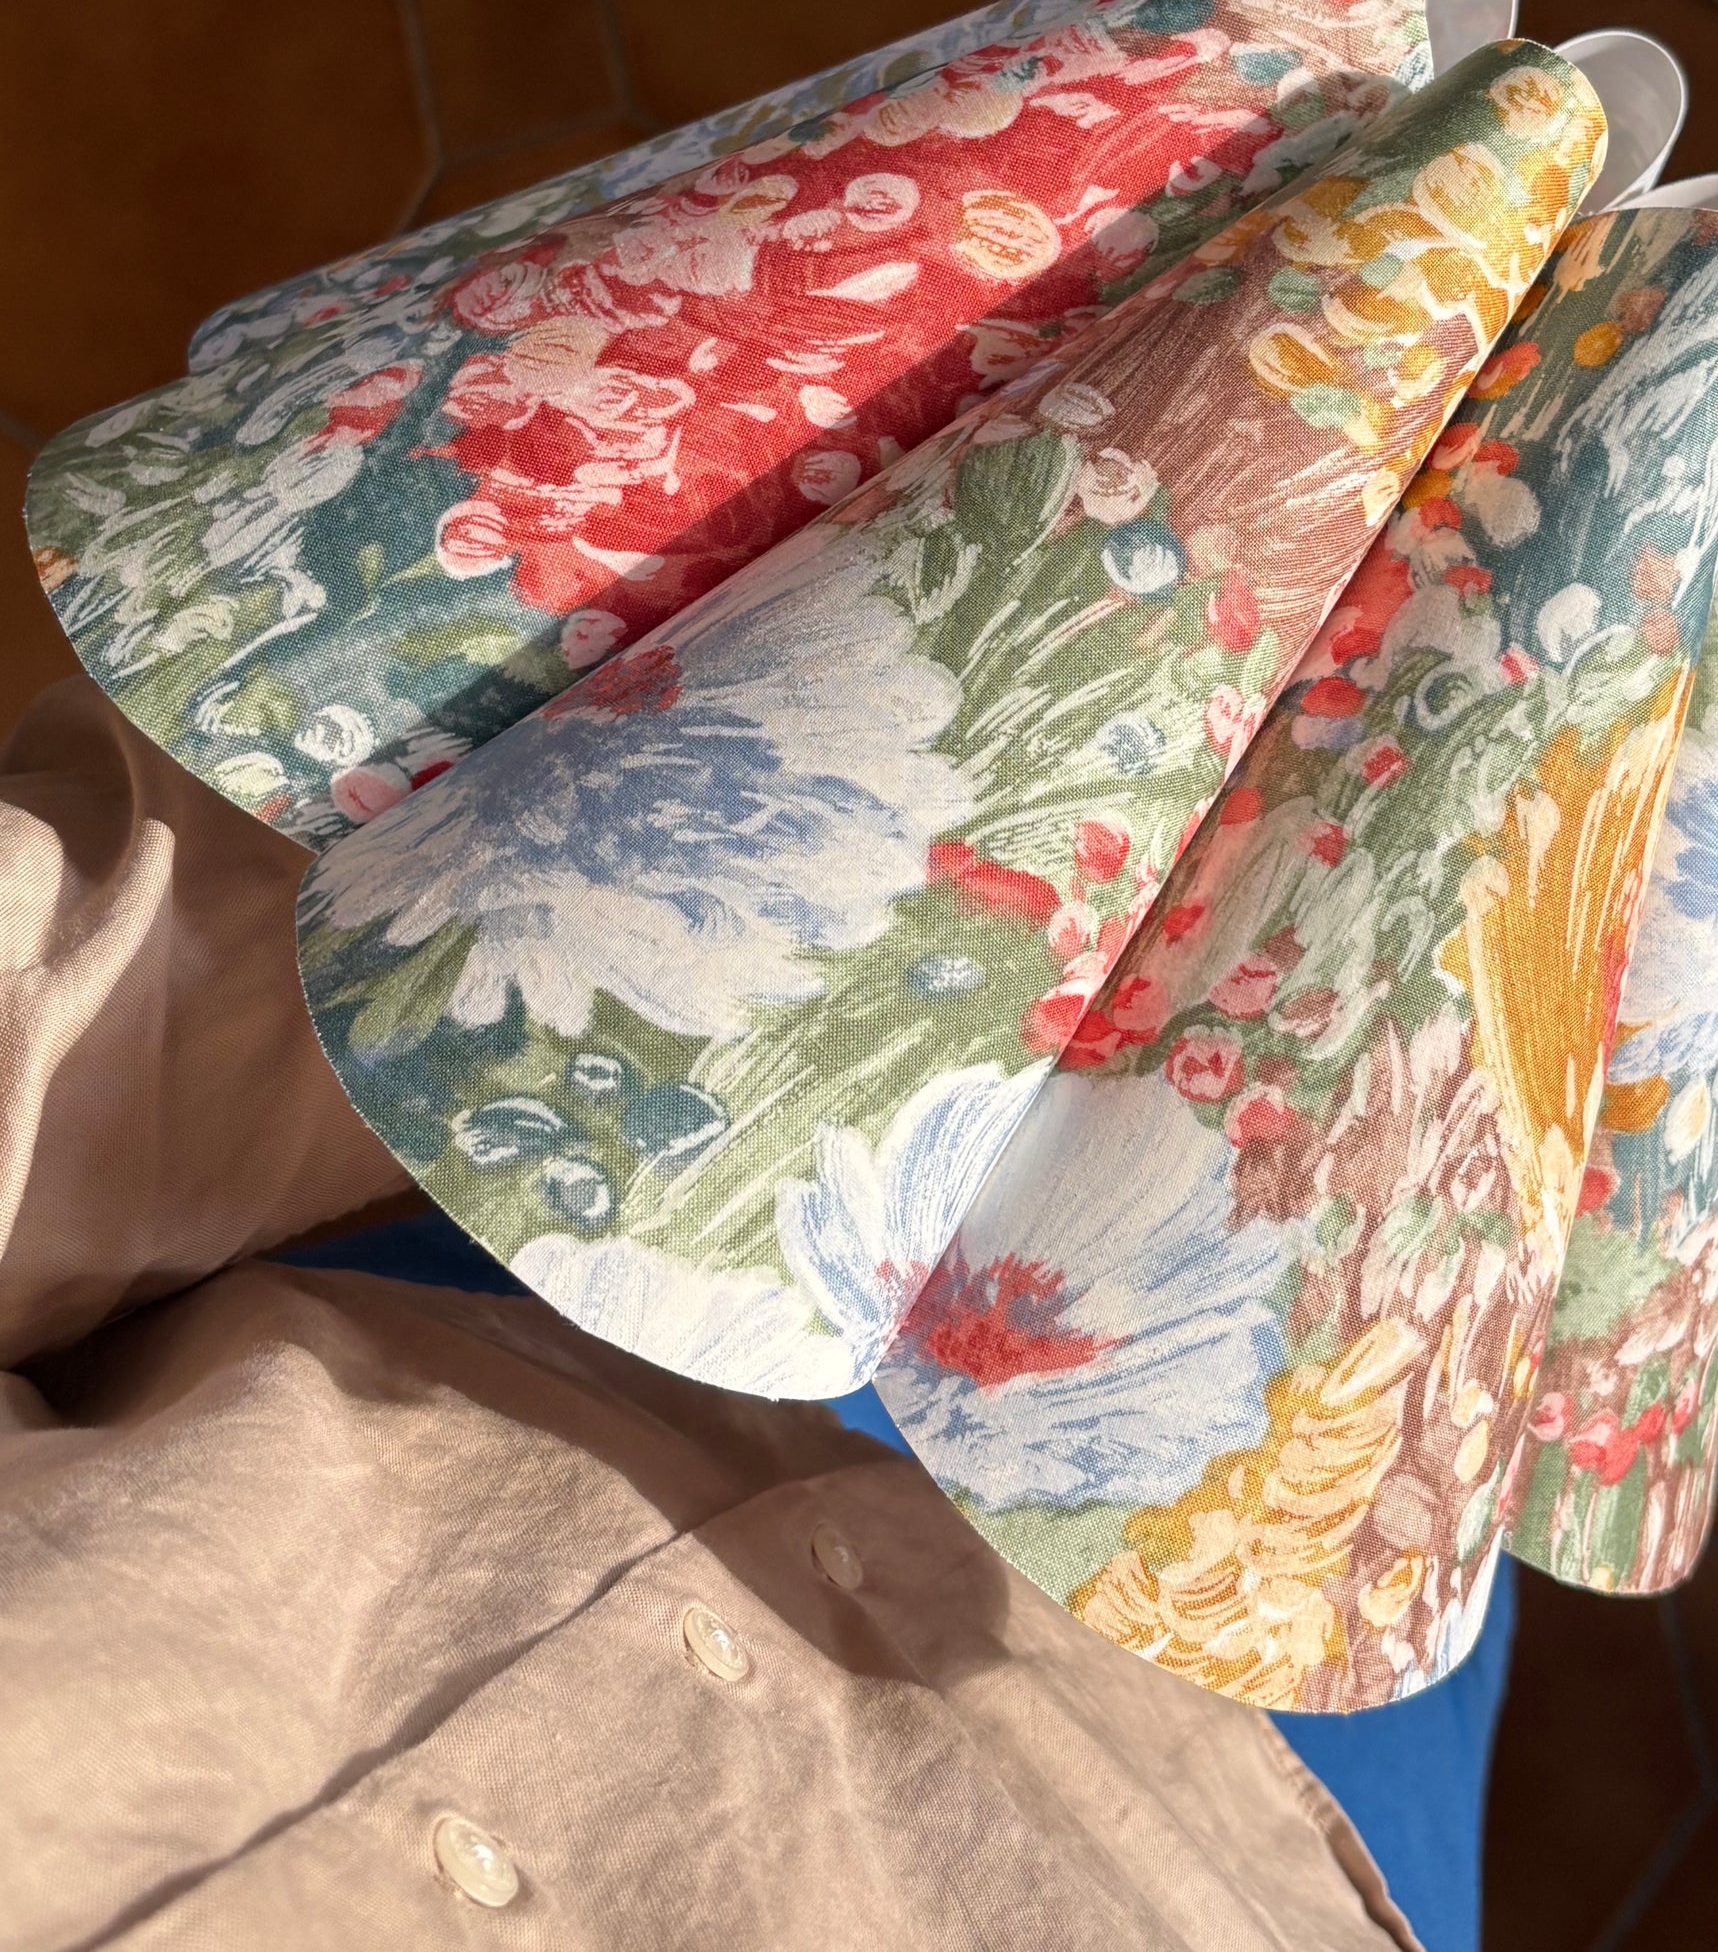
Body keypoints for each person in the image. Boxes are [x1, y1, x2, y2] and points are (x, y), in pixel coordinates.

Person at [0, 679, 1508, 1951]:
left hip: (528, 1299)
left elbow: (100, 1011)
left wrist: (532, 805)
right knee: (1475, 1044)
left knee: (1442, 740)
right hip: (1231, 1808)